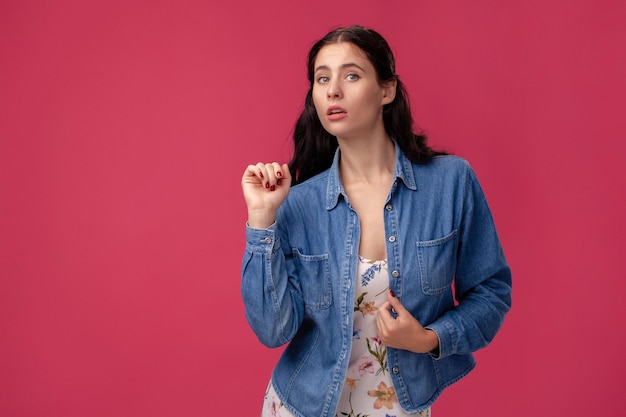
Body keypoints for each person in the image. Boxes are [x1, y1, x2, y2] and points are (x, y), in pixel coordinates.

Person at [240, 25, 512, 417]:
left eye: (351, 75)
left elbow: (491, 292)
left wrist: (429, 338)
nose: (333, 90)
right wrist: (262, 220)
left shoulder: (451, 182)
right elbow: (273, 331)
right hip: (301, 407)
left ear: (387, 90)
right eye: (322, 78)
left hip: (400, 407)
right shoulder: (296, 204)